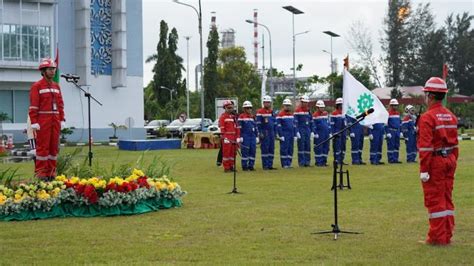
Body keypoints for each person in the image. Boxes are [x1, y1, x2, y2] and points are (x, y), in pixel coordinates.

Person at [417, 77, 458, 246]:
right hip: (449, 160)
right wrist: (453, 160)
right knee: (447, 198)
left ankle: (436, 238)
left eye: (426, 94)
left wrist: (424, 170)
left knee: (435, 200)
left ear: (431, 96)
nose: (425, 97)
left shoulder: (427, 117)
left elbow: (425, 148)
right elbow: (455, 144)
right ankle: (446, 234)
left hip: (435, 163)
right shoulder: (451, 116)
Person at [29, 58, 65, 180]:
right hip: (43, 120)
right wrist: (34, 122)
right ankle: (41, 173)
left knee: (54, 147)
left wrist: (62, 119)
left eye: (54, 69)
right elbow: (33, 106)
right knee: (43, 147)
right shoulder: (37, 86)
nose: (53, 71)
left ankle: (51, 172)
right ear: (43, 71)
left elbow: (60, 104)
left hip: (55, 119)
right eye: (50, 69)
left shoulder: (56, 86)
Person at [218, 100, 241, 173]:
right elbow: (222, 128)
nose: (231, 109)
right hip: (227, 137)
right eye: (229, 107)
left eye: (231, 107)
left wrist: (238, 137)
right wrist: (224, 137)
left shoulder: (234, 117)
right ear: (225, 108)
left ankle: (232, 166)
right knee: (226, 153)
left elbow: (237, 128)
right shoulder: (223, 117)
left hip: (234, 137)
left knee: (233, 153)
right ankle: (226, 167)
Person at [256, 96, 276, 170]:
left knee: (271, 149)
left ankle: (270, 165)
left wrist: (275, 132)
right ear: (263, 103)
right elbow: (258, 123)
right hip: (265, 132)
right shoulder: (260, 112)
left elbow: (274, 123)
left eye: (268, 102)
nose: (267, 104)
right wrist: (260, 133)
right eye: (266, 102)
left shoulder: (271, 112)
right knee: (265, 149)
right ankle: (265, 165)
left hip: (271, 133)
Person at [238, 101, 258, 171]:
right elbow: (239, 128)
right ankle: (244, 166)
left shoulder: (252, 117)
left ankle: (251, 165)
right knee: (245, 151)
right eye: (247, 108)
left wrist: (256, 136)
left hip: (252, 136)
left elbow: (255, 127)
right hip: (245, 136)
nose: (249, 109)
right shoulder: (241, 117)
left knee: (253, 151)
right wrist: (240, 137)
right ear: (244, 109)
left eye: (250, 108)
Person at [276, 99, 296, 168]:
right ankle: (284, 164)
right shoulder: (280, 114)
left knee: (290, 149)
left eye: (289, 106)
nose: (287, 107)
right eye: (286, 105)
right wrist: (281, 135)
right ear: (283, 106)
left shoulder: (291, 114)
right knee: (284, 149)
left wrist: (295, 134)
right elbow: (278, 126)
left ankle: (289, 163)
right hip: (284, 134)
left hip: (291, 134)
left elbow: (294, 125)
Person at [294, 95, 312, 167]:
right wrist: (297, 131)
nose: (306, 104)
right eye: (304, 102)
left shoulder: (308, 110)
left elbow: (311, 121)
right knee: (301, 146)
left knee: (308, 146)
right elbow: (295, 122)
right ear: (301, 102)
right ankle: (301, 162)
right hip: (301, 129)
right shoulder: (297, 111)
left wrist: (312, 131)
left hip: (307, 129)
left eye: (307, 102)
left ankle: (307, 162)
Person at [312, 100, 330, 167]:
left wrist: (329, 131)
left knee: (326, 147)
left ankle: (324, 161)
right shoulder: (315, 115)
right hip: (319, 134)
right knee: (319, 148)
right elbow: (313, 125)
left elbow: (328, 123)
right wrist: (315, 133)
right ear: (317, 107)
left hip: (326, 133)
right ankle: (318, 162)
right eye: (321, 107)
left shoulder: (325, 114)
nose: (322, 108)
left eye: (323, 107)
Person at [330, 98, 346, 164]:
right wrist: (333, 133)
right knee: (337, 147)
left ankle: (341, 160)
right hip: (337, 132)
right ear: (337, 105)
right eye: (340, 104)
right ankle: (336, 160)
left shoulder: (344, 113)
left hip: (343, 132)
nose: (341, 106)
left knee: (343, 146)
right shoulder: (334, 113)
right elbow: (332, 125)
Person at [386, 99, 402, 163]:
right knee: (391, 146)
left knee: (397, 145)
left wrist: (400, 131)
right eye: (394, 105)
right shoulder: (388, 113)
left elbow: (400, 123)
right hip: (391, 131)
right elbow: (386, 124)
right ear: (391, 106)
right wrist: (387, 132)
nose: (395, 106)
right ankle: (391, 159)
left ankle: (396, 159)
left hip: (397, 131)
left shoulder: (398, 113)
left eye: (396, 105)